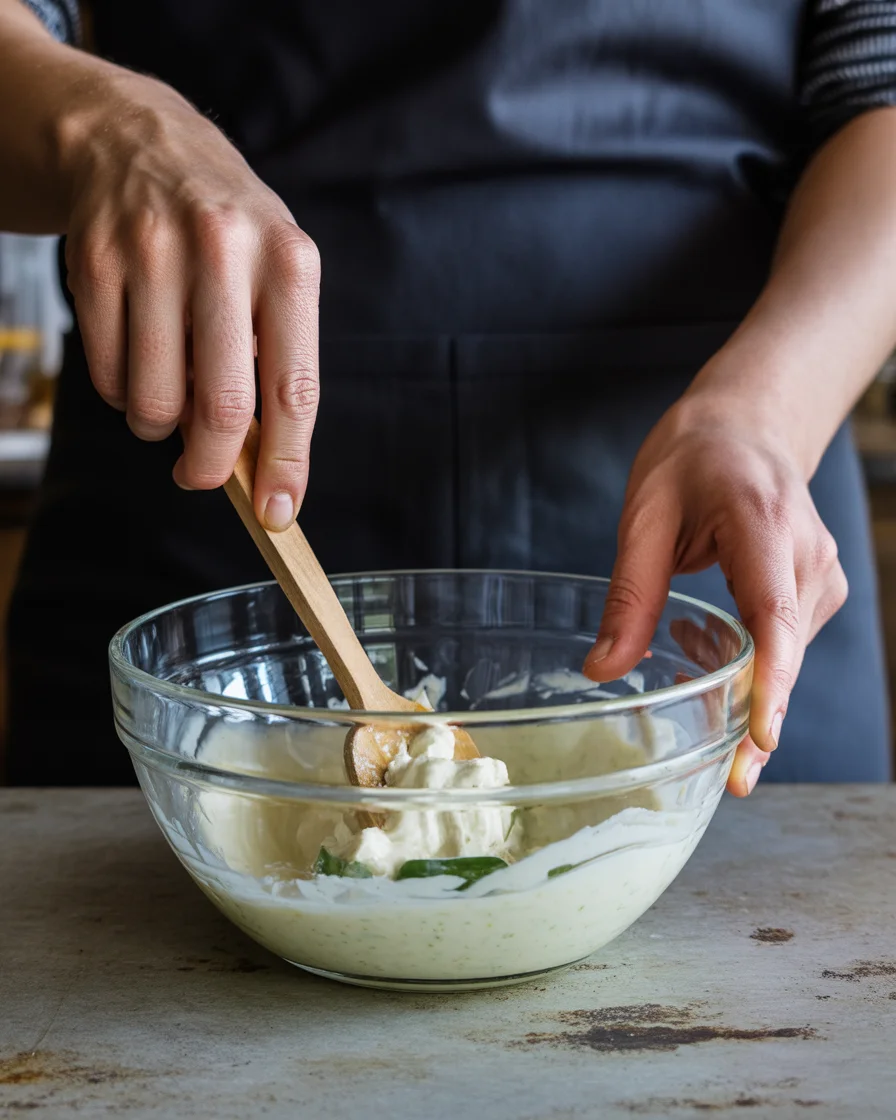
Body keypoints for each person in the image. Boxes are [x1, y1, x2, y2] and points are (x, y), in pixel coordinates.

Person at [1, 0, 894, 792]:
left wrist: (764, 414)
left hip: (715, 523)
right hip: (198, 512)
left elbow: (879, 87)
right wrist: (106, 125)